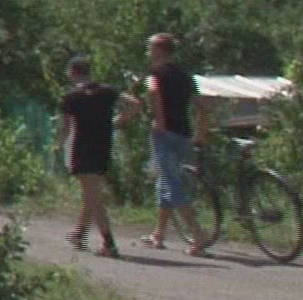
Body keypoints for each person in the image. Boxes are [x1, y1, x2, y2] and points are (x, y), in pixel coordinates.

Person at [55, 55, 139, 258]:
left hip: (83, 146)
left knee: (93, 196)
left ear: (72, 72)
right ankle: (79, 234)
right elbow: (135, 104)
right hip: (103, 144)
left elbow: (66, 128)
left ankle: (109, 243)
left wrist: (58, 146)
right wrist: (117, 121)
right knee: (90, 192)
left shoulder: (70, 97)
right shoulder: (106, 91)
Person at [138, 32, 211, 255]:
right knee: (165, 180)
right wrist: (201, 133)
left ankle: (197, 236)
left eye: (150, 48)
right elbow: (202, 107)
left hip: (164, 134)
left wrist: (159, 121)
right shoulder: (186, 76)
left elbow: (152, 91)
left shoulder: (155, 74)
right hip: (184, 134)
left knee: (172, 183)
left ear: (159, 51)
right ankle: (158, 234)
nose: (148, 53)